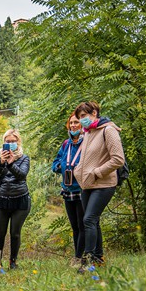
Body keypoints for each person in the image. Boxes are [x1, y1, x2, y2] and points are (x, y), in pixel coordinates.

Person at [72, 101, 124, 272]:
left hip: (104, 183)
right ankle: (98, 257)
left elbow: (118, 159)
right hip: (87, 184)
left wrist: (96, 172)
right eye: (80, 117)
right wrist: (79, 171)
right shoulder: (88, 132)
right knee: (93, 221)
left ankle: (87, 262)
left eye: (84, 116)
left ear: (94, 113)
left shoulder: (108, 130)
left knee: (88, 220)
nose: (81, 120)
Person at [0, 129, 31, 271]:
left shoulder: (24, 158)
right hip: (2, 199)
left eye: (13, 141)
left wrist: (12, 163)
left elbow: (22, 175)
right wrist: (2, 162)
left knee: (15, 233)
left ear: (18, 142)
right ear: (4, 142)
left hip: (20, 199)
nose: (11, 144)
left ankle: (13, 262)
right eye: (8, 141)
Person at [52, 112, 85, 265]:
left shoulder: (86, 142)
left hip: (82, 188)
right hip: (67, 188)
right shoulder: (66, 144)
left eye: (76, 122)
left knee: (82, 224)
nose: (73, 125)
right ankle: (77, 255)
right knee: (74, 226)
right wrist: (60, 167)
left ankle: (80, 257)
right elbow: (56, 161)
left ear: (82, 125)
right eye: (71, 123)